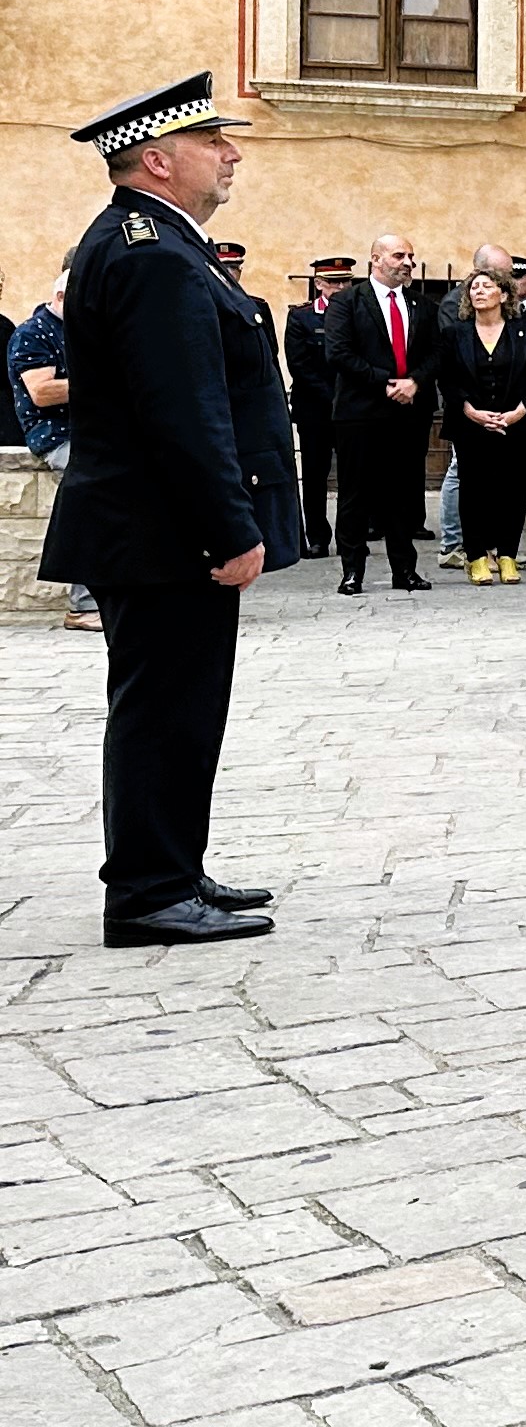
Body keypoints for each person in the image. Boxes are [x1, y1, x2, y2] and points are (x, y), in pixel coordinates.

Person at [38, 75, 293, 947]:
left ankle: (172, 868)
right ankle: (148, 892)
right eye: (213, 142)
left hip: (153, 529)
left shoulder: (151, 241)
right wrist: (229, 528)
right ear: (158, 159)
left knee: (179, 710)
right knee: (163, 712)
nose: (231, 155)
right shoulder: (150, 251)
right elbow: (181, 410)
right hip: (164, 533)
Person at [322, 232, 437, 595]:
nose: (407, 263)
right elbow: (338, 353)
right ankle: (352, 570)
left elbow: (437, 353)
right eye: (399, 255)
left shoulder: (422, 305)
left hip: (409, 414)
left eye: (411, 257)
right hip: (361, 412)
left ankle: (404, 570)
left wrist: (415, 382)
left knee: (403, 494)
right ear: (376, 259)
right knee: (355, 494)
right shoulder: (348, 302)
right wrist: (387, 382)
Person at [438, 270, 526, 584]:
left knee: (512, 489)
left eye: (488, 286)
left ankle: (507, 555)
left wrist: (518, 412)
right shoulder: (455, 334)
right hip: (471, 424)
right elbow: (447, 380)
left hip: (517, 423)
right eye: (474, 287)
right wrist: (470, 410)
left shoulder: (525, 331)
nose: (480, 291)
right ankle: (476, 556)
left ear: (503, 294)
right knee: (474, 490)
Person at [13, 272, 106, 631]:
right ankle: (82, 606)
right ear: (63, 295)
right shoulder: (33, 333)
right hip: (57, 436)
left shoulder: (87, 330)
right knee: (93, 496)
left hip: (94, 434)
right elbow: (42, 392)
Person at [284, 255, 352, 556]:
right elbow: (299, 365)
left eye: (345, 281)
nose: (340, 287)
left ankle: (352, 536)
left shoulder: (359, 314)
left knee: (354, 475)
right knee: (314, 476)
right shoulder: (302, 317)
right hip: (316, 410)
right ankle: (317, 537)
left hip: (352, 409)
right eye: (334, 281)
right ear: (319, 283)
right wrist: (332, 397)